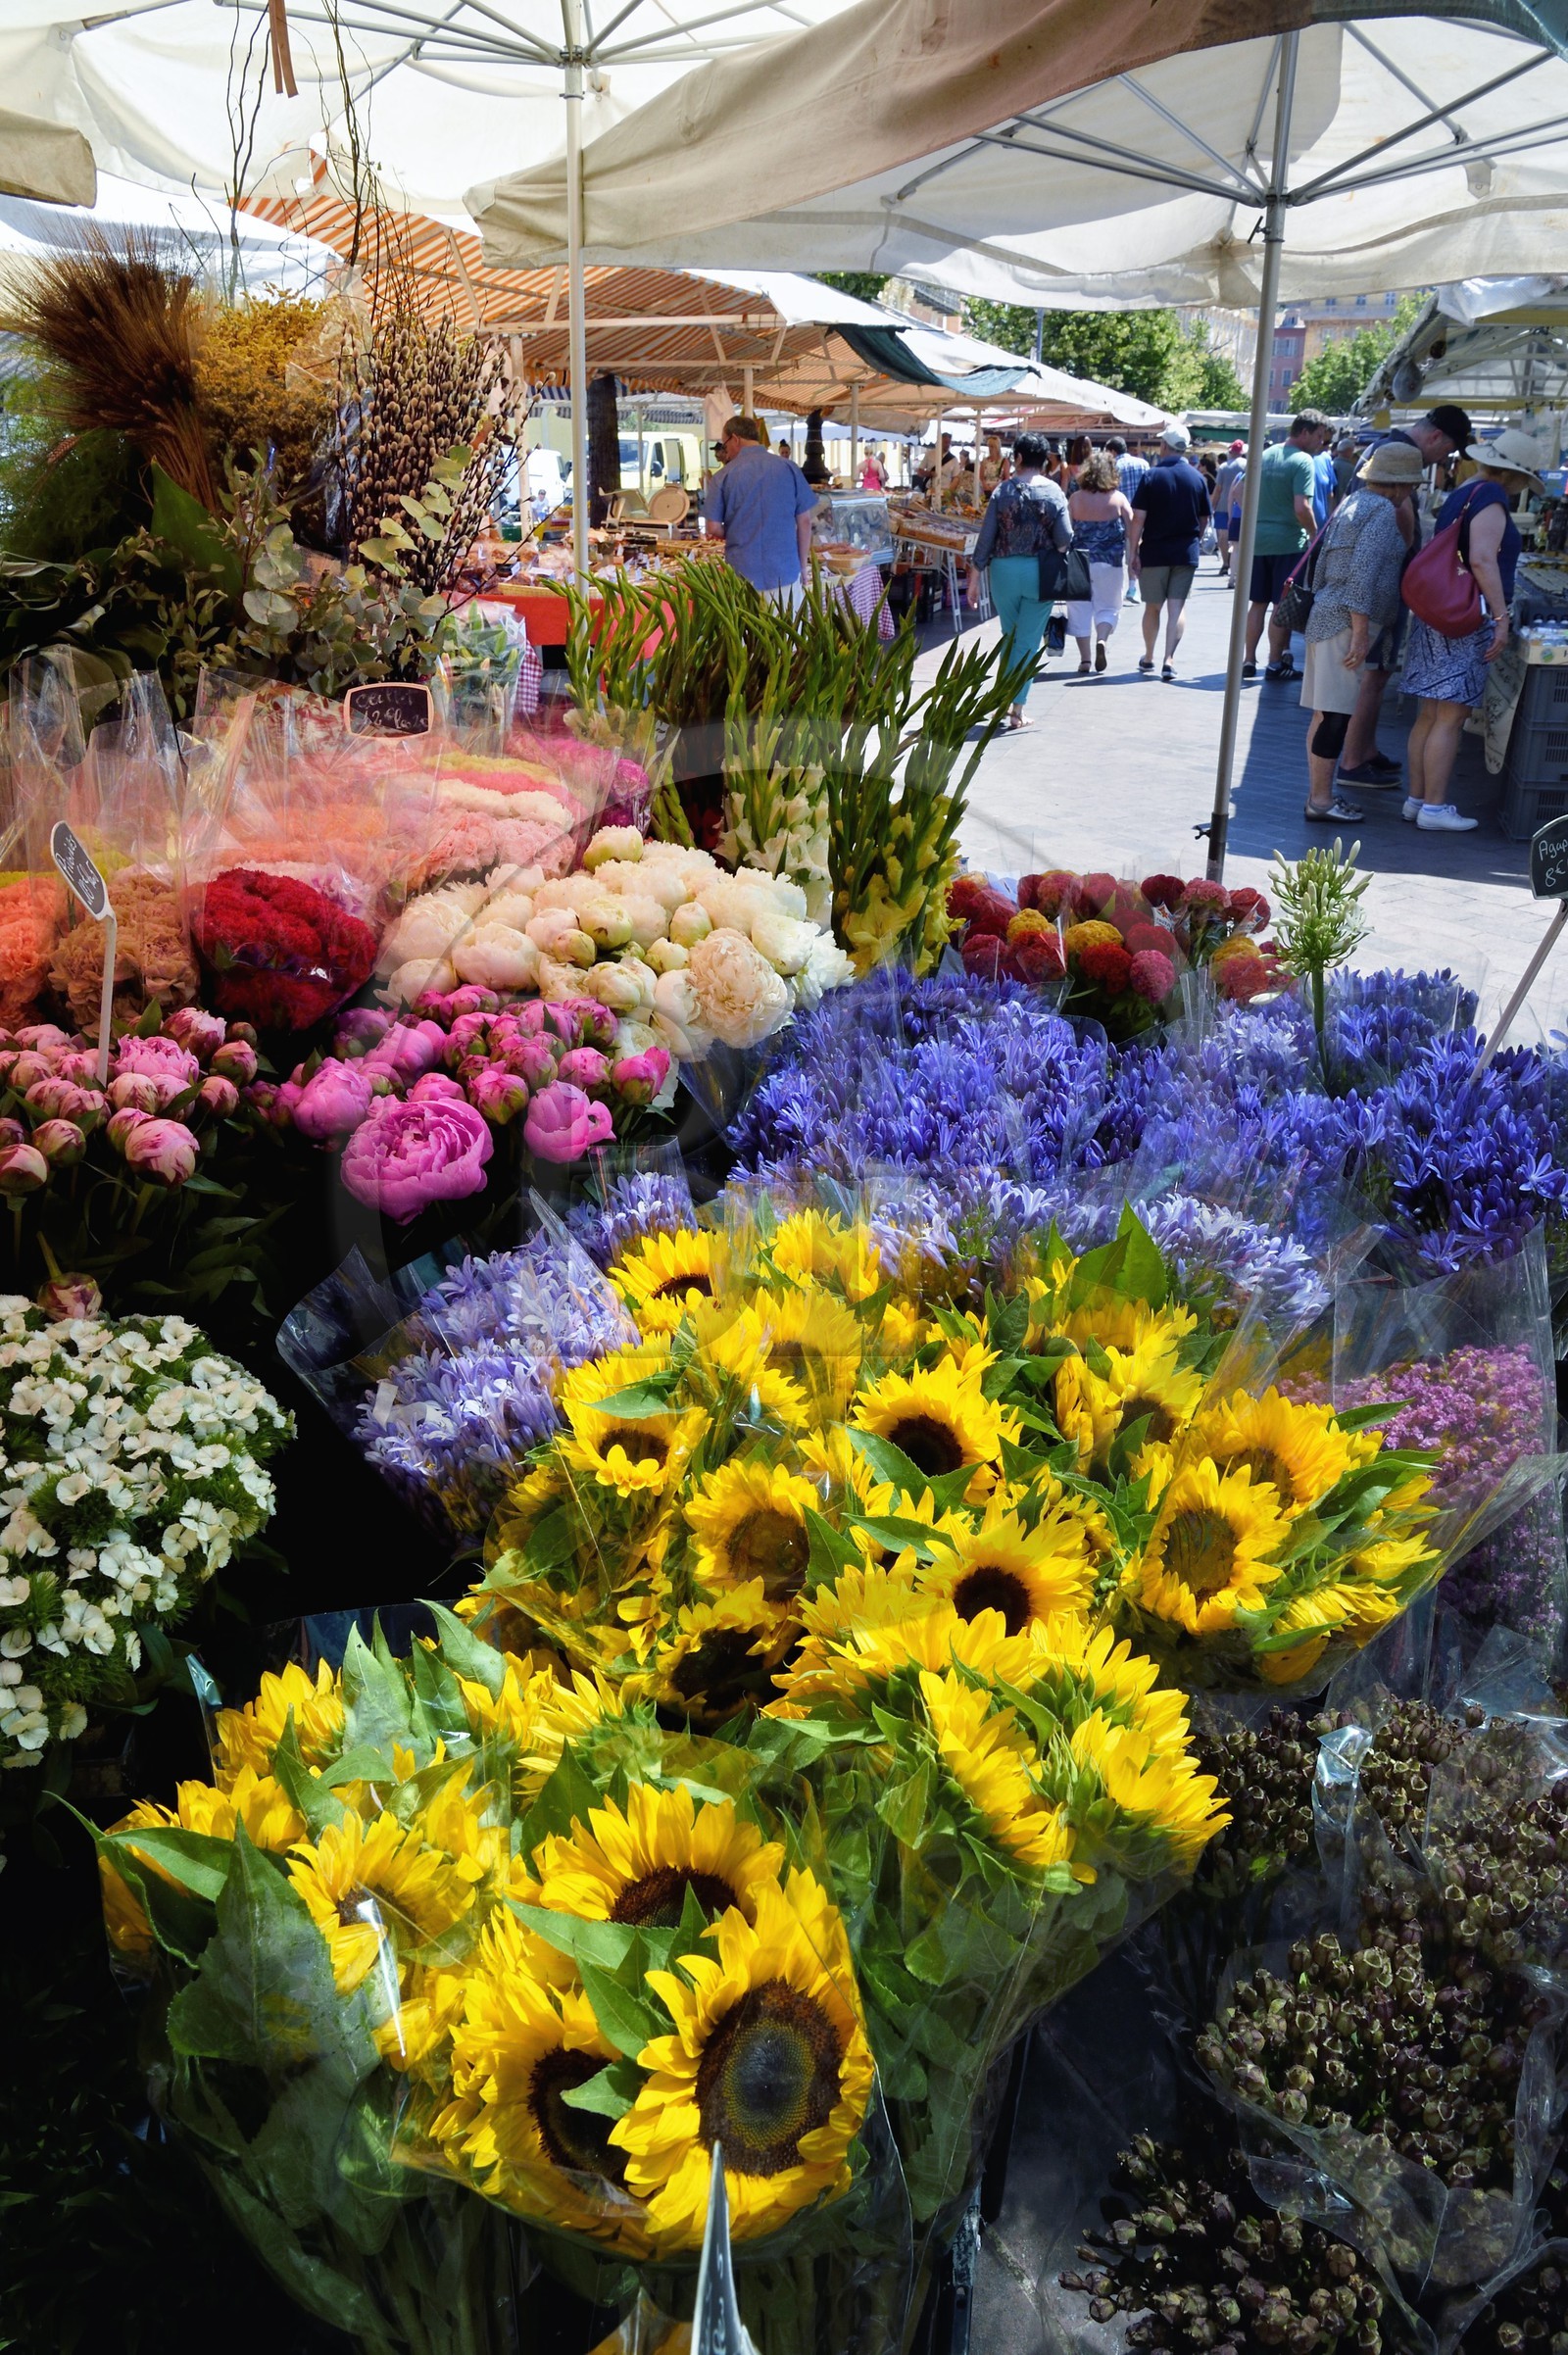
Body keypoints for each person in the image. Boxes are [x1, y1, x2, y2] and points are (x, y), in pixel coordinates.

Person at [1401, 427, 1545, 835]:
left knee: (1430, 714)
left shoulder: (1465, 491)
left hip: (1440, 612)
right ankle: (1434, 806)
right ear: (1514, 475)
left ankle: (1417, 800)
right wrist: (1501, 618)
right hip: (1466, 617)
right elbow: (1482, 559)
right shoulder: (1492, 498)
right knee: (1451, 717)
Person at [1336, 402, 1476, 786]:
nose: (1442, 459)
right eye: (1447, 450)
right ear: (1436, 437)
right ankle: (1352, 759)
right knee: (1375, 672)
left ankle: (1363, 750)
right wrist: (1415, 561)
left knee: (1376, 673)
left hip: (1378, 582)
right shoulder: (1400, 454)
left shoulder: (1384, 445)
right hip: (1384, 585)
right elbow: (1399, 518)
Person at [1297, 439, 1424, 824]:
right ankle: (1321, 800)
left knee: (1324, 714)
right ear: (1401, 484)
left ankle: (1319, 796)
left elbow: (1322, 565)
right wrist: (1361, 630)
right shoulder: (1382, 511)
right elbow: (1363, 573)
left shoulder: (1353, 502)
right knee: (1334, 717)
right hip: (1343, 623)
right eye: (1412, 484)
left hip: (1327, 615)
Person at [965, 430, 1073, 731]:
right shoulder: (1054, 492)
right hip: (1040, 572)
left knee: (1009, 637)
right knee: (1027, 642)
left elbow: (986, 539)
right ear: (1045, 460)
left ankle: (1001, 702)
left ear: (1019, 458)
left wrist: (974, 577)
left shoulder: (1003, 491)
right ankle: (1017, 710)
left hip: (1004, 572)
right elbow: (1065, 537)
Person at [1242, 408, 1333, 682]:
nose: (1321, 442)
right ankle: (1274, 663)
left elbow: (1237, 492)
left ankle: (1249, 660)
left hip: (1257, 541)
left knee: (1257, 603)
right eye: (1319, 436)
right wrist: (1314, 534)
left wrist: (1258, 519)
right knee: (1281, 605)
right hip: (1288, 542)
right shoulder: (1303, 461)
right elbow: (1302, 507)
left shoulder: (1264, 455)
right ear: (1304, 432)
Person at [1125, 422, 1211, 682]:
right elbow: (1204, 518)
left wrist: (1133, 552)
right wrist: (1194, 539)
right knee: (1177, 607)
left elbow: (1138, 519)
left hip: (1155, 552)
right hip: (1185, 552)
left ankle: (1149, 656)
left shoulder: (1151, 476)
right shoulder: (1197, 478)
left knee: (1152, 607)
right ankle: (1169, 660)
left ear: (1164, 446)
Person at [704, 414, 816, 603]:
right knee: (786, 622)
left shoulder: (723, 476)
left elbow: (713, 527)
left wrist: (738, 531)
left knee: (745, 623)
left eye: (725, 445)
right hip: (785, 572)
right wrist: (803, 567)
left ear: (735, 439)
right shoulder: (789, 468)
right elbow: (805, 522)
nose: (726, 452)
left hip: (742, 575)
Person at [1065, 448, 1134, 674]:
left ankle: (1085, 660)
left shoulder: (1075, 499)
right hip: (1109, 562)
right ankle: (1102, 640)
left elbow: (1065, 531)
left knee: (1079, 610)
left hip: (1079, 562)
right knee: (1108, 608)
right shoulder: (1118, 499)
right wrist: (1134, 556)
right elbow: (1133, 530)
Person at [1107, 436, 1149, 603]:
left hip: (1119, 516)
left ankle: (1119, 589)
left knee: (1120, 553)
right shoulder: (1143, 464)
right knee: (1136, 550)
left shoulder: (1113, 467)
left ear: (1112, 451)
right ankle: (1134, 587)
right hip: (1142, 515)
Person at [1213, 440, 1247, 579]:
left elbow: (1218, 489)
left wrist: (1212, 505)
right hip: (1241, 507)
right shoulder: (1246, 465)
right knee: (1239, 541)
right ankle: (1237, 569)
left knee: (1223, 536)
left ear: (1231, 451)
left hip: (1223, 506)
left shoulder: (1223, 467)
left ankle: (1226, 563)